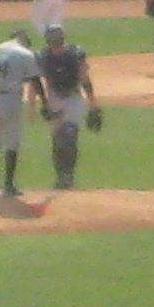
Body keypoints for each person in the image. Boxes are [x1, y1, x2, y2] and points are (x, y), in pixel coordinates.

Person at [36, 25, 100, 190]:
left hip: (73, 98)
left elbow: (84, 79)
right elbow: (36, 82)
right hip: (54, 98)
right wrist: (43, 103)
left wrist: (93, 105)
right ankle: (60, 176)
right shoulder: (43, 57)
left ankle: (68, 175)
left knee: (69, 135)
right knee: (58, 140)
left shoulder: (74, 55)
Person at [0, 29, 48, 196]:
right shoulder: (26, 54)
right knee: (12, 141)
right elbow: (35, 80)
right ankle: (8, 185)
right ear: (24, 39)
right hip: (12, 99)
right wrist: (44, 102)